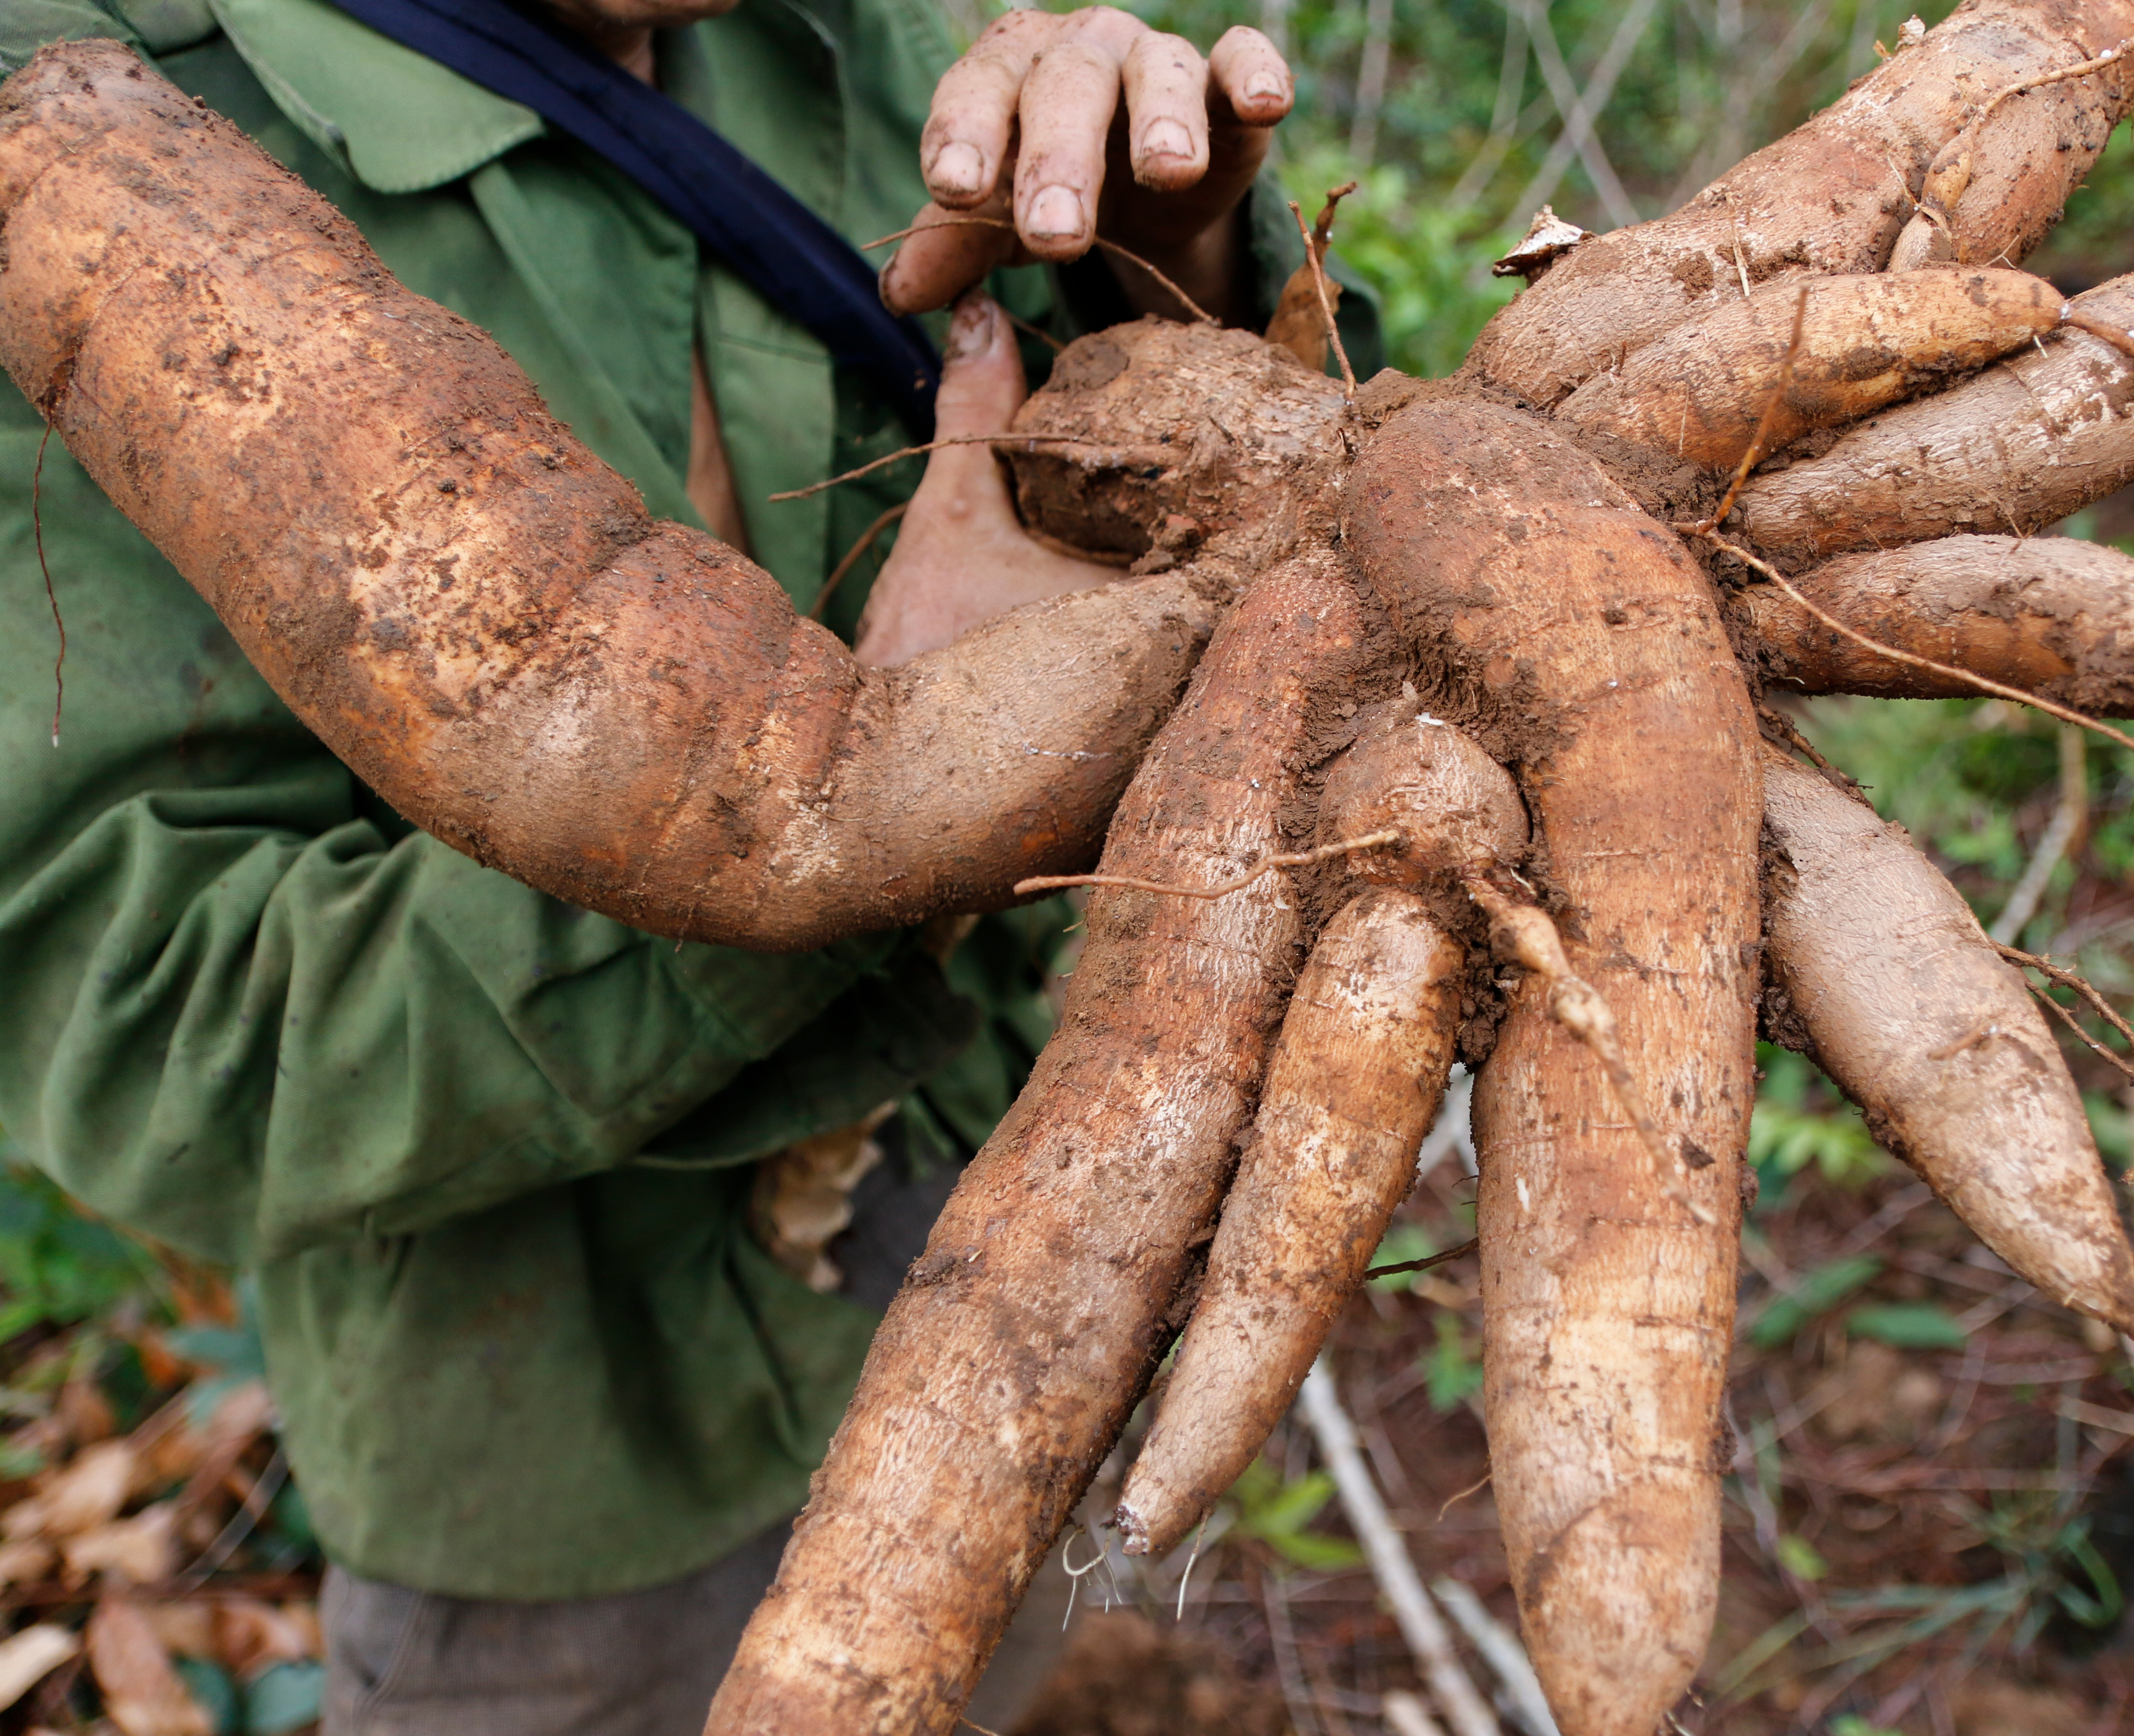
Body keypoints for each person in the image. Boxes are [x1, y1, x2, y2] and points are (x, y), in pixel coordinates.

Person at [0, 0, 1379, 1729]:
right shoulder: (98, 162)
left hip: (1007, 1256)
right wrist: (885, 775)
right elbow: (163, 1053)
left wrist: (1171, 264)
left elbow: (1105, 483)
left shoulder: (847, 40)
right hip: (572, 1482)